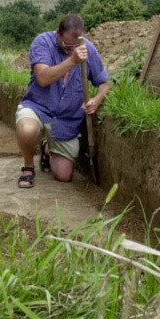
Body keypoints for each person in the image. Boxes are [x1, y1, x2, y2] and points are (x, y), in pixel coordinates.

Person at [16, 14, 110, 188]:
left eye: (76, 45)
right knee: (27, 130)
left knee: (64, 176)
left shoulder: (88, 49)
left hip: (67, 120)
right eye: (68, 45)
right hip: (39, 107)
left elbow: (104, 83)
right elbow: (43, 78)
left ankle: (47, 147)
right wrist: (73, 61)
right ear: (58, 34)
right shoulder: (43, 42)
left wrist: (96, 100)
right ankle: (28, 167)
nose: (72, 49)